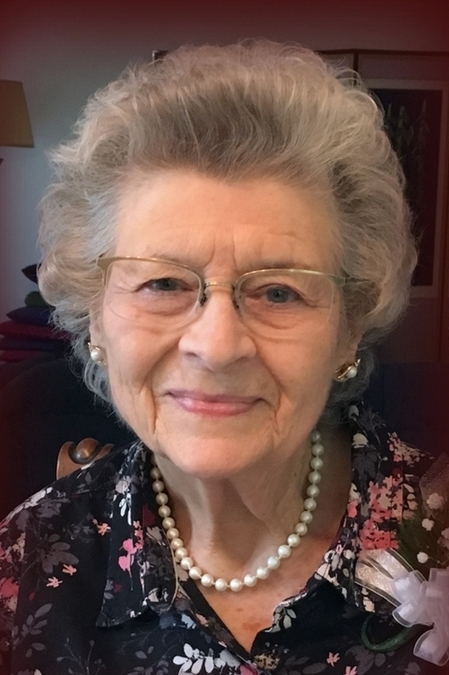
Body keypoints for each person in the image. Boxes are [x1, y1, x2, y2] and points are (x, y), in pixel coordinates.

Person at [0, 41, 447, 675]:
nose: (215, 346)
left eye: (279, 292)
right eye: (163, 283)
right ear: (96, 317)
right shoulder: (24, 562)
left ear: (348, 330)